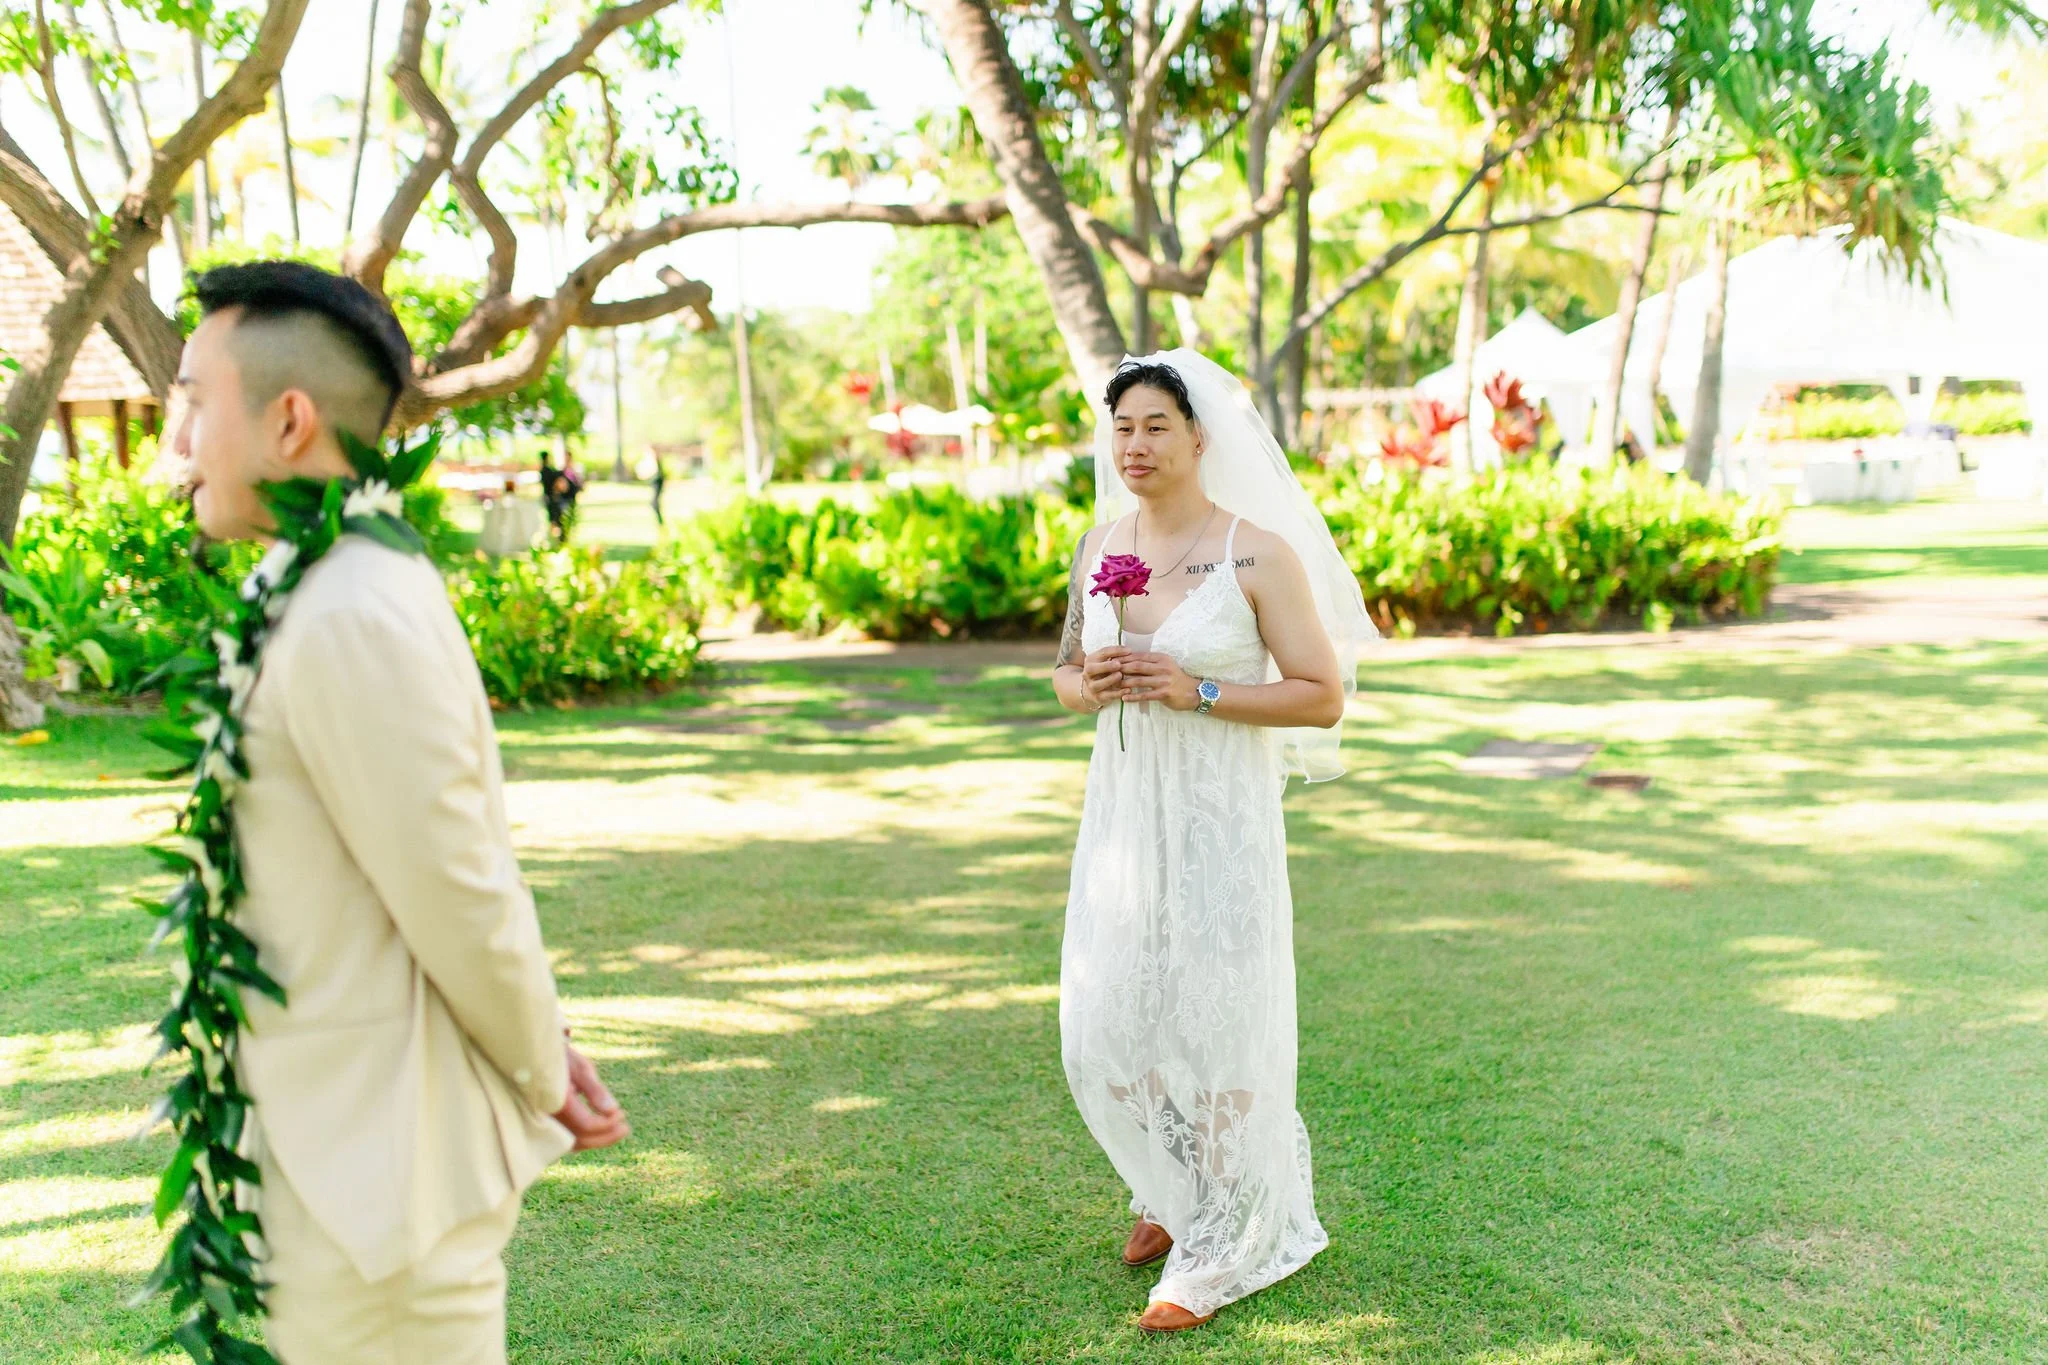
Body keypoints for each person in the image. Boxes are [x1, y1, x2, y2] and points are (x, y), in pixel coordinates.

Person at [173, 260, 628, 1363]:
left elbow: (456, 885)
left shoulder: (348, 611)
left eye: (191, 404)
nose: (174, 448)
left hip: (373, 1196)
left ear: (288, 421)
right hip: (319, 1163)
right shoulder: (308, 583)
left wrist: (538, 1062)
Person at [1051, 350, 1377, 1334]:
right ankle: (1160, 1188)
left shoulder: (1253, 552)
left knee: (1210, 1015)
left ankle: (1220, 1242)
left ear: (1200, 437)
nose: (1135, 445)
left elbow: (1319, 696)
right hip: (1122, 824)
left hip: (1218, 824)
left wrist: (1195, 690)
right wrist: (1092, 685)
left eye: (1155, 425)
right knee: (1108, 1013)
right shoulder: (1099, 543)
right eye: (1122, 428)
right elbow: (1064, 675)